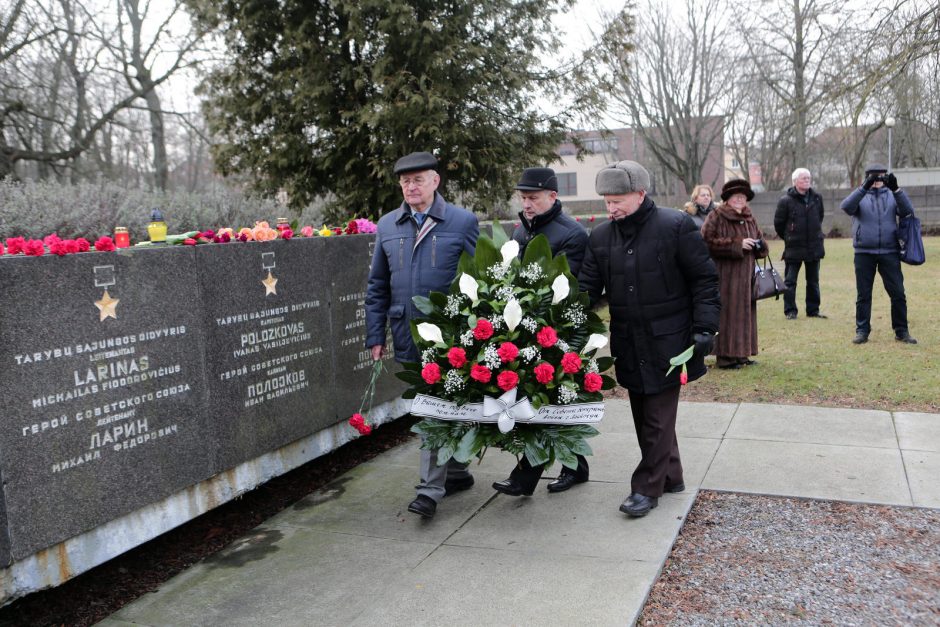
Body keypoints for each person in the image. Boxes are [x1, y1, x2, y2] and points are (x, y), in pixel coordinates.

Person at [578, 161, 720, 518]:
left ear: (641, 194)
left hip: (671, 340)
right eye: (607, 201)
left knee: (657, 414)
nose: (611, 209)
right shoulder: (600, 238)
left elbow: (704, 279)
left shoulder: (675, 226)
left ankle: (646, 488)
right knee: (644, 413)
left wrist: (706, 328)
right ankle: (671, 475)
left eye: (618, 200)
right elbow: (586, 290)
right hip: (628, 338)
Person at [365, 151, 480, 518]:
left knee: (433, 408)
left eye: (417, 180)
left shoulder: (461, 223)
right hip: (405, 332)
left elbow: (479, 279)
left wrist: (475, 331)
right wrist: (375, 334)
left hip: (448, 337)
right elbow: (377, 285)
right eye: (404, 181)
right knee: (434, 405)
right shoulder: (388, 225)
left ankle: (429, 491)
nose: (410, 187)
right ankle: (458, 471)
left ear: (435, 181)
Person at [491, 167, 591, 497]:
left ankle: (524, 478)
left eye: (533, 198)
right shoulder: (522, 231)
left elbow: (563, 285)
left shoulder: (571, 234)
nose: (527, 204)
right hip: (526, 327)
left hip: (556, 329)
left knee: (545, 401)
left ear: (553, 197)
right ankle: (576, 467)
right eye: (523, 198)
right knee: (542, 402)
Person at [839, 164, 917, 345]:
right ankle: (862, 331)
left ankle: (901, 330)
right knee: (863, 294)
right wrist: (864, 187)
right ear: (867, 177)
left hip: (889, 251)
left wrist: (897, 189)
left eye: (881, 176)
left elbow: (907, 211)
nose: (877, 180)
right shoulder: (860, 195)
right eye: (873, 177)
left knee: (898, 292)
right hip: (864, 252)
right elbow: (846, 207)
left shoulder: (891, 195)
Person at [701, 179, 768, 369]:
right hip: (726, 277)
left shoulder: (749, 217)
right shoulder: (716, 215)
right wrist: (736, 244)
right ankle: (726, 357)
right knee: (728, 315)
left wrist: (759, 245)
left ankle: (742, 354)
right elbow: (706, 241)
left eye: (743, 197)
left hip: (747, 277)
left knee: (746, 315)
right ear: (728, 199)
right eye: (736, 197)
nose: (740, 200)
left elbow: (761, 240)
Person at [774, 168, 826, 320]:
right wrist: (789, 237)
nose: (807, 180)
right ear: (795, 181)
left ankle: (813, 310)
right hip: (794, 247)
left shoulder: (817, 198)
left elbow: (820, 217)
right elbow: (779, 224)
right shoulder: (785, 201)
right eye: (803, 178)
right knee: (790, 281)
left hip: (814, 246)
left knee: (813, 281)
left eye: (808, 178)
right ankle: (790, 310)